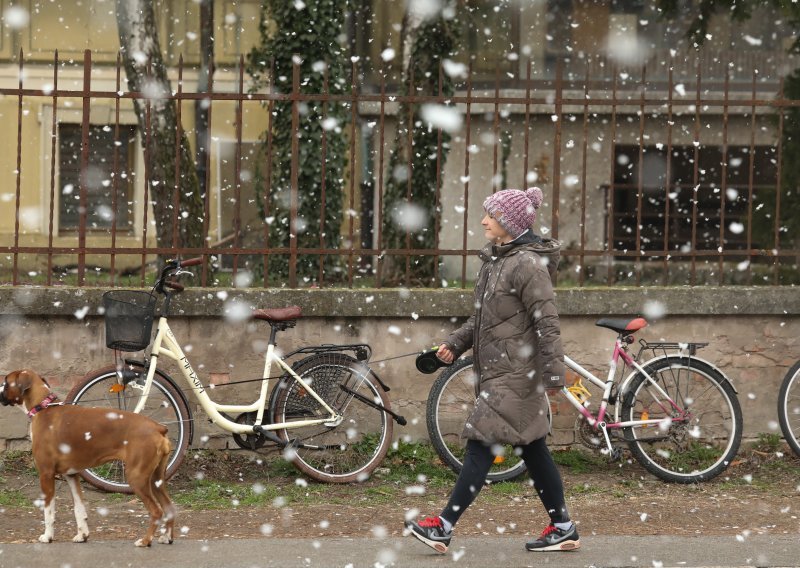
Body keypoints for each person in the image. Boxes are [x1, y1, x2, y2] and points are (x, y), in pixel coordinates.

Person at [404, 186, 579, 554]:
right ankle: (563, 526)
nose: (484, 220)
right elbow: (481, 320)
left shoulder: (528, 264)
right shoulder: (497, 261)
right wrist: (453, 344)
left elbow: (547, 322)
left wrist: (552, 375)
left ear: (509, 223)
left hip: (516, 373)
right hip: (500, 369)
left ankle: (445, 525)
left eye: (491, 215)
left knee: (481, 440)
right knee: (533, 448)